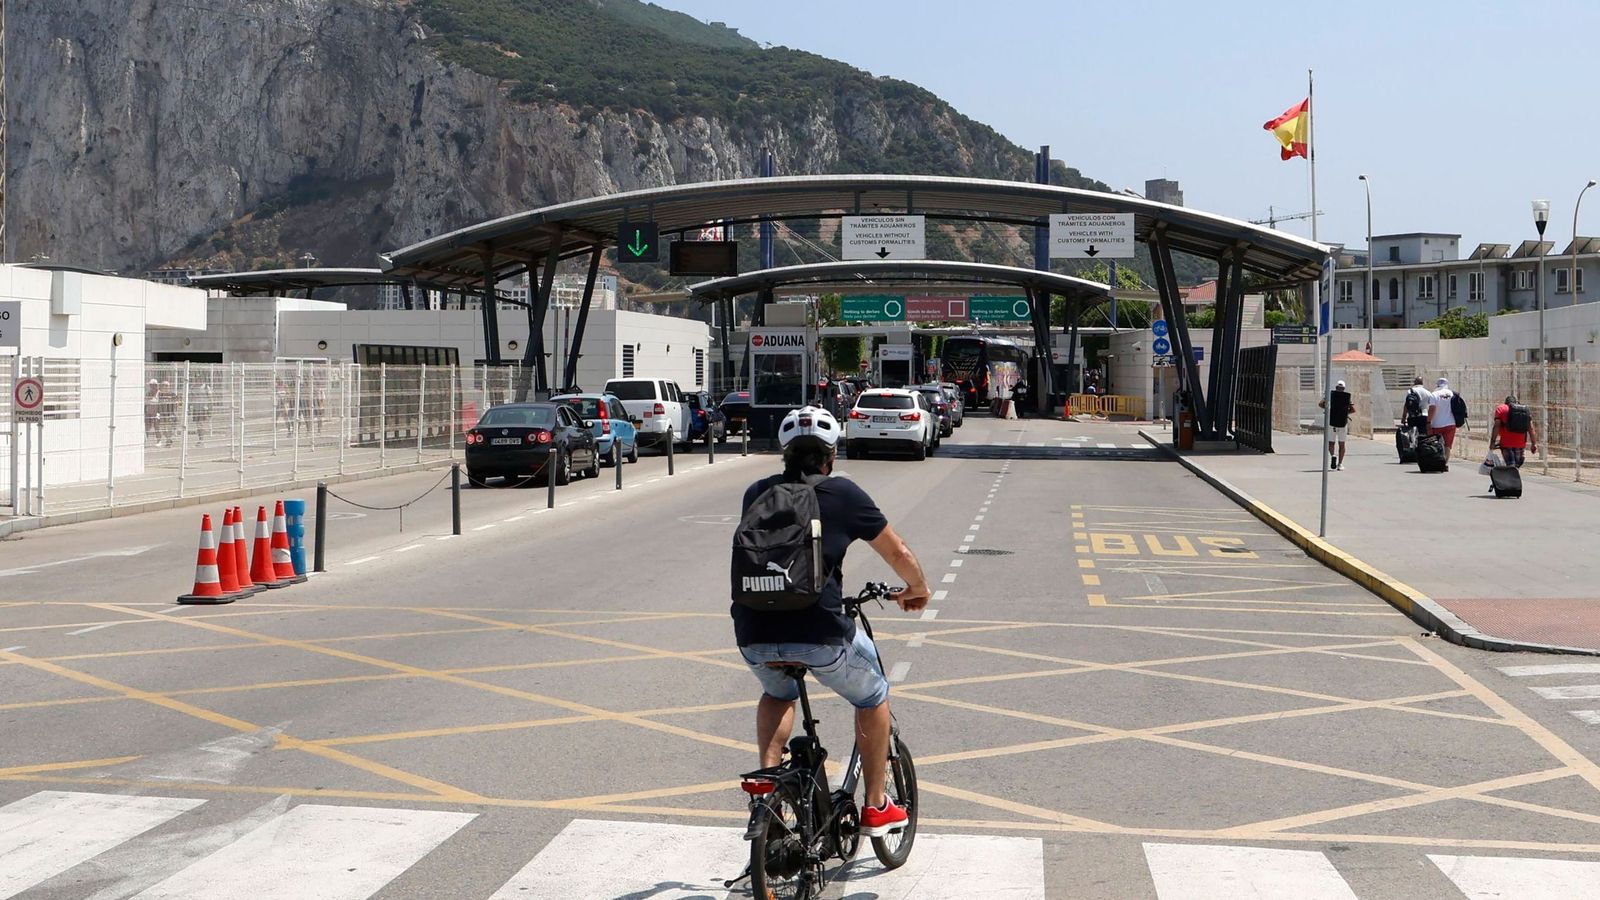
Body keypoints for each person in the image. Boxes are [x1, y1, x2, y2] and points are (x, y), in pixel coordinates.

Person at [733, 406, 930, 837]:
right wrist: (917, 588)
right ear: (832, 454)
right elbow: (896, 552)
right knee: (873, 694)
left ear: (784, 452)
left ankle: (768, 790)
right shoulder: (844, 494)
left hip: (754, 631)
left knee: (776, 691)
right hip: (820, 633)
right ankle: (876, 806)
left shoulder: (757, 493)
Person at [1489, 394, 1538, 479]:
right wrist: (1534, 443)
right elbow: (1531, 428)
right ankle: (1512, 483)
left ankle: (1510, 485)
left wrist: (1492, 442)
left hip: (1506, 443)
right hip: (1520, 444)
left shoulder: (1501, 409)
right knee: (1515, 467)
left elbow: (1496, 426)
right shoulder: (1524, 410)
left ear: (1506, 403)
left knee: (1511, 466)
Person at [1318, 379, 1355, 470]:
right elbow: (1353, 410)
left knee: (1331, 442)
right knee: (1342, 444)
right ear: (1344, 388)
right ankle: (1340, 464)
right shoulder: (1347, 398)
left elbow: (1320, 404)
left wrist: (1328, 410)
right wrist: (1344, 413)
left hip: (1332, 422)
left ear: (1336, 387)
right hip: (1343, 422)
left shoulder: (1331, 396)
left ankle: (1333, 455)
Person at [1427, 377, 1458, 464]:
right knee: (1447, 445)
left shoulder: (1434, 394)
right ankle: (1444, 463)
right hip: (1451, 424)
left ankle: (1437, 462)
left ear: (1437, 385)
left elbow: (1432, 409)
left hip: (1437, 424)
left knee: (1436, 444)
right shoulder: (1452, 394)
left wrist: (1428, 421)